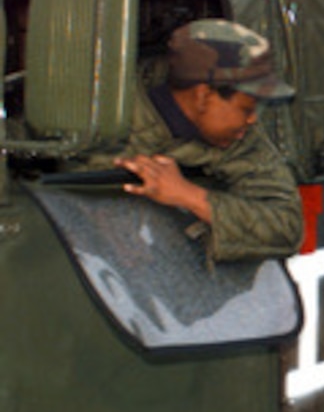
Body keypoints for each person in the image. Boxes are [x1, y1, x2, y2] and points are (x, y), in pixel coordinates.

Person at [77, 18, 303, 262]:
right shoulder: (103, 116)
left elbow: (287, 227)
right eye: (247, 109)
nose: (253, 121)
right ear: (203, 96)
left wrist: (190, 196)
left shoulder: (236, 134)